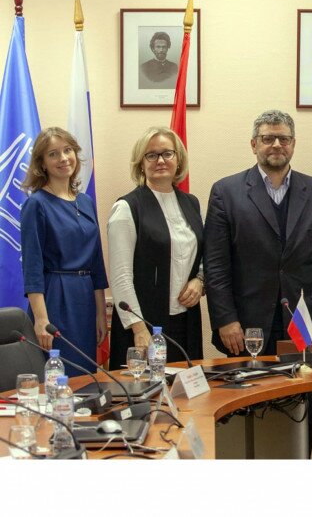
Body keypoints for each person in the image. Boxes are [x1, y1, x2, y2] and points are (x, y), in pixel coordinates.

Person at [204, 110, 312, 451]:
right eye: (268, 138)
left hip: (301, 325)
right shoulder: (226, 191)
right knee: (245, 412)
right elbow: (216, 264)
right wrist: (226, 319)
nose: (276, 144)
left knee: (299, 415)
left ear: (294, 145)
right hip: (245, 327)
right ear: (254, 145)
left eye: (283, 138)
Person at [107, 127, 205, 370]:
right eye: (151, 155)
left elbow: (204, 253)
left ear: (178, 159)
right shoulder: (127, 208)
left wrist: (201, 281)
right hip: (144, 325)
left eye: (167, 154)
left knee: (187, 398)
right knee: (146, 401)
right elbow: (121, 276)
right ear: (141, 163)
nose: (160, 160)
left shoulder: (191, 203)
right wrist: (138, 329)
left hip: (186, 321)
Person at [20, 127, 108, 376]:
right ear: (42, 164)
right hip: (55, 297)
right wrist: (40, 319)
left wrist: (101, 314)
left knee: (85, 378)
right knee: (59, 376)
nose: (63, 158)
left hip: (85, 299)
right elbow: (32, 268)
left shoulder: (85, 201)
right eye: (53, 154)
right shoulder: (36, 204)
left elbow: (97, 264)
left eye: (67, 150)